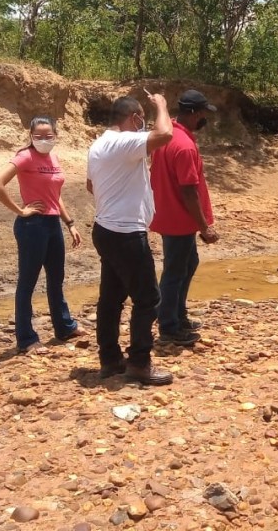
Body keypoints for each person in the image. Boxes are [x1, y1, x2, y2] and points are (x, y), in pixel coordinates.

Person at [86, 93, 174, 385]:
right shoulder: (123, 142)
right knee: (147, 298)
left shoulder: (99, 144)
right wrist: (161, 105)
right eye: (141, 119)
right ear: (134, 117)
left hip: (106, 228)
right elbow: (164, 134)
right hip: (125, 232)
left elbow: (90, 184)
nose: (144, 124)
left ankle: (110, 360)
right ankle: (139, 362)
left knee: (111, 299)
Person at [0, 116, 85, 354]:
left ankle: (64, 327)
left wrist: (70, 223)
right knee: (28, 282)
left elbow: (55, 194)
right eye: (39, 136)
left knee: (56, 278)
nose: (44, 140)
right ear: (31, 135)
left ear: (55, 135)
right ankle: (26, 338)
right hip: (32, 226)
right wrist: (21, 210)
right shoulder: (25, 156)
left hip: (53, 224)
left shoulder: (53, 157)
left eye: (48, 136)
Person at [150, 89, 219, 346]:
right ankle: (169, 325)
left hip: (171, 215)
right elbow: (189, 190)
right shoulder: (184, 146)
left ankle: (177, 314)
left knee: (187, 264)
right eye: (202, 114)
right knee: (175, 272)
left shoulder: (169, 137)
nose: (204, 119)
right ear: (193, 113)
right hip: (179, 218)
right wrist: (205, 227)